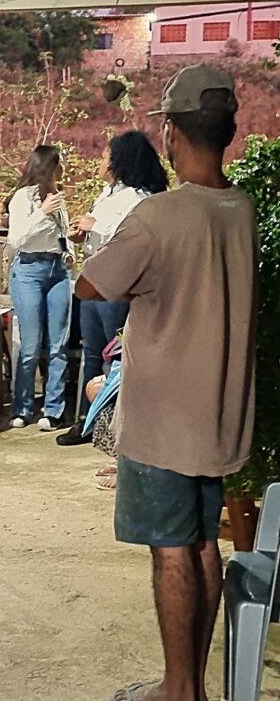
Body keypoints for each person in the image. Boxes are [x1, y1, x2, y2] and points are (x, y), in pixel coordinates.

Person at [77, 65, 256, 701]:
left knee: (171, 550)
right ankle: (190, 684)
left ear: (172, 131)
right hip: (218, 415)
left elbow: (92, 283)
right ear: (227, 131)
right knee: (203, 542)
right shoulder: (240, 208)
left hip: (163, 420)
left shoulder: (160, 216)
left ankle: (178, 690)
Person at [57, 131, 169, 446]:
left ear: (121, 160)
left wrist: (97, 226)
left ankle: (118, 426)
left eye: (105, 155)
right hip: (95, 280)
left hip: (119, 286)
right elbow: (100, 236)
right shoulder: (107, 194)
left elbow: (134, 237)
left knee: (116, 355)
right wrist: (82, 236)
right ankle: (89, 421)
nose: (100, 160)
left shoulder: (140, 197)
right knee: (92, 352)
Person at [6, 145, 73, 431]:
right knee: (31, 344)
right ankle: (22, 407)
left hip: (57, 269)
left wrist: (69, 250)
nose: (64, 168)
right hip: (29, 270)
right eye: (61, 163)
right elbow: (15, 240)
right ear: (49, 166)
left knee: (58, 345)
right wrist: (41, 213)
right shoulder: (24, 197)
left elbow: (61, 233)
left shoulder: (57, 196)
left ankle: (54, 409)